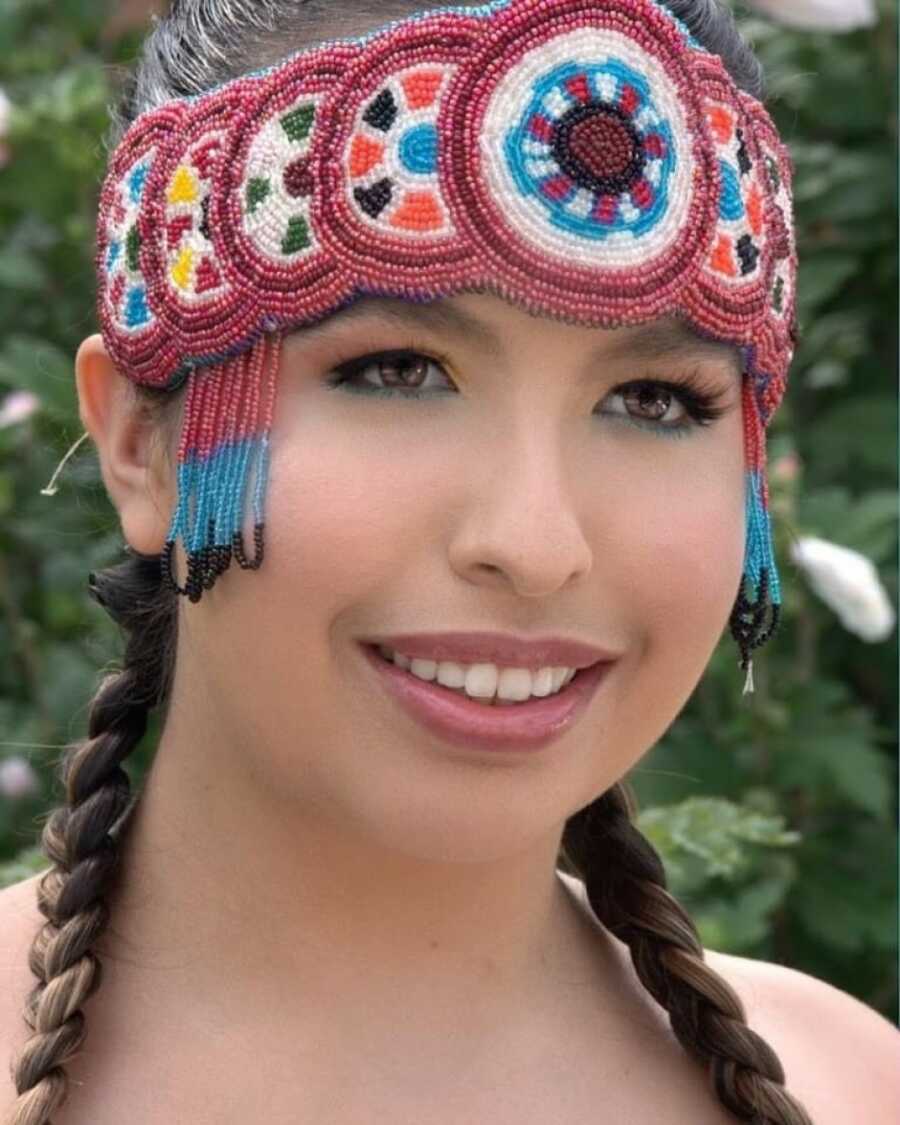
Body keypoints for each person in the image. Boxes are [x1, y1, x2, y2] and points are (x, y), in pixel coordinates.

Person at [1, 1, 898, 1123]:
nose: (535, 545)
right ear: (139, 444)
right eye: (397, 372)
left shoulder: (857, 1087)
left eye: (653, 399)